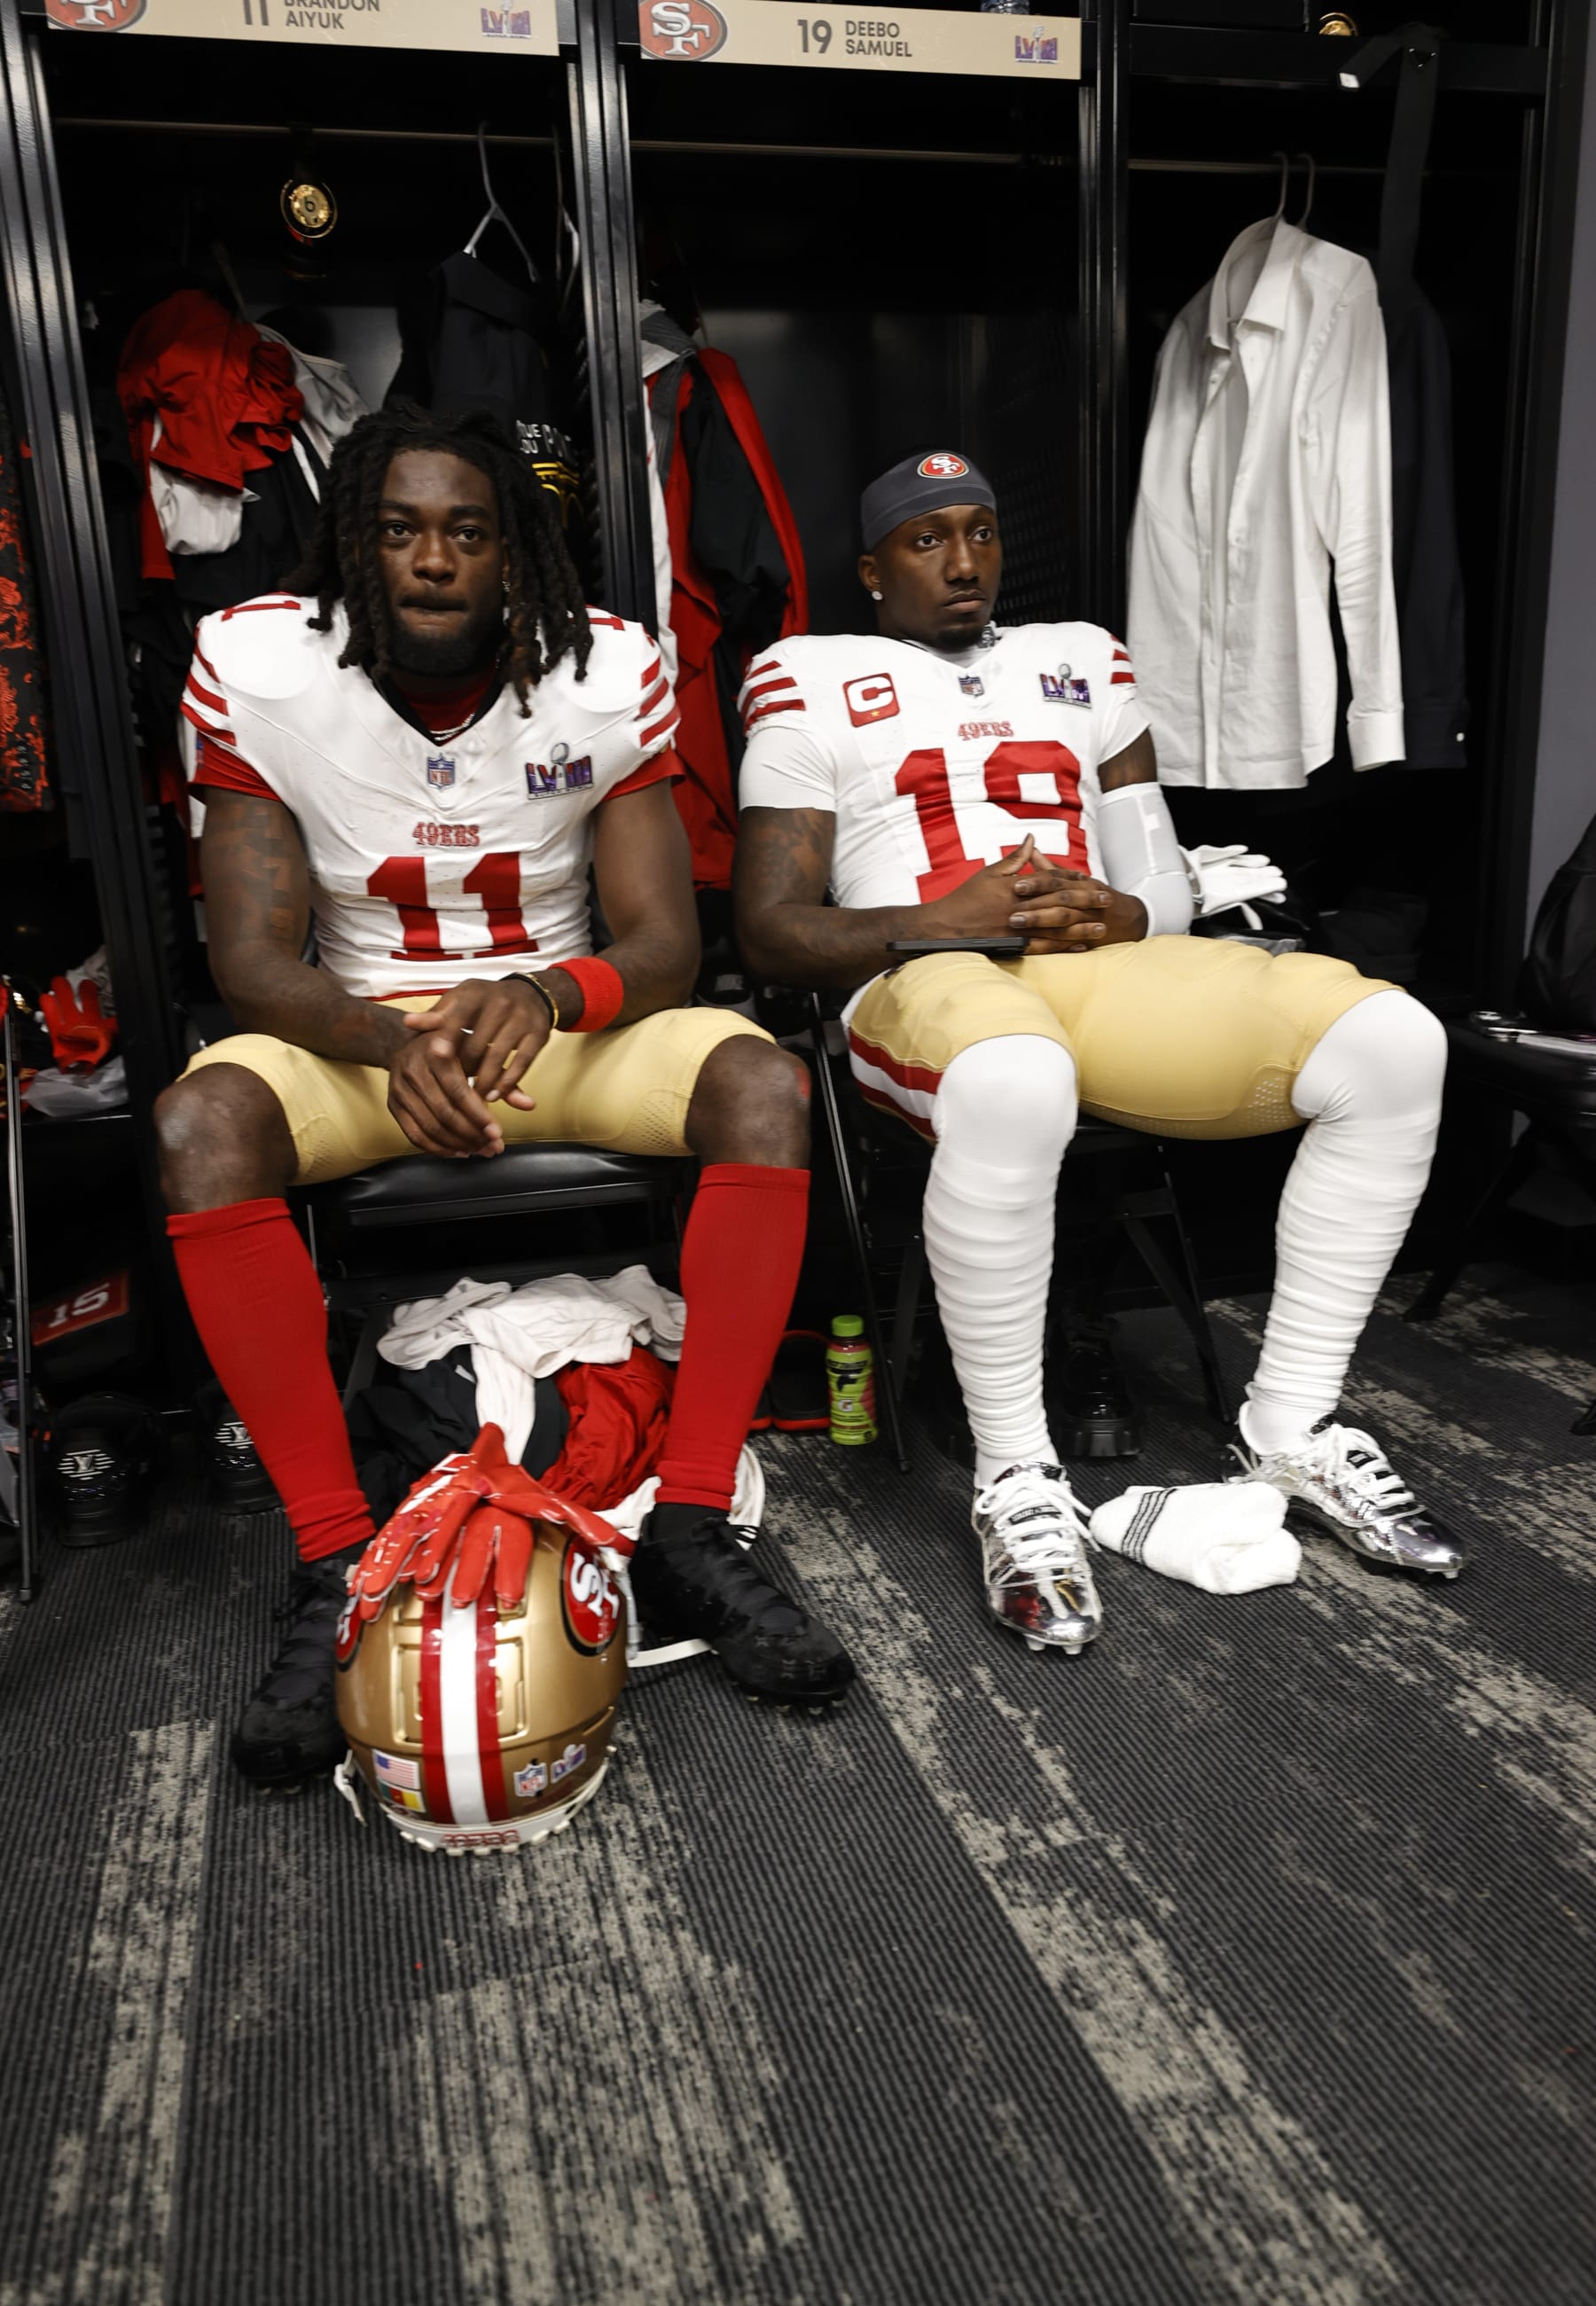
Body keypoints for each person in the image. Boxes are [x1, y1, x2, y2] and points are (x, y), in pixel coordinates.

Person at [156, 400, 853, 1787]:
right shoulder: (259, 664)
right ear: (356, 547)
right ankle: (333, 1558)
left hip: (550, 1024)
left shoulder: (604, 673)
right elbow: (245, 962)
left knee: (763, 1087)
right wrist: (384, 1040)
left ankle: (692, 1521)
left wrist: (544, 995)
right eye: (400, 531)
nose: (431, 561)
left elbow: (662, 944)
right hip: (365, 1038)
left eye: (467, 533)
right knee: (202, 1123)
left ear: (515, 556)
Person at [733, 448, 1464, 1654]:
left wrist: (1129, 915)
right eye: (927, 540)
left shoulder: (1078, 659)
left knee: (1391, 1042)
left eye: (980, 532)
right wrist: (940, 923)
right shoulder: (810, 676)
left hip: (1100, 967)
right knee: (1016, 1076)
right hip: (922, 974)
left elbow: (1155, 882)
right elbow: (770, 931)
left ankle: (1292, 1425)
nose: (964, 562)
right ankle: (1019, 1478)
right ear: (869, 571)